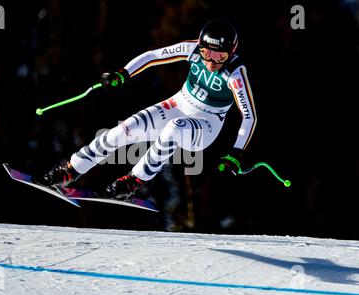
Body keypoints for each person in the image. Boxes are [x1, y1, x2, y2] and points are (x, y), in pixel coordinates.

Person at [39, 19, 257, 200]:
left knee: (174, 128)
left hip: (206, 124)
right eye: (207, 53)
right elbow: (154, 56)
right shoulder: (192, 50)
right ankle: (71, 169)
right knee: (125, 129)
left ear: (232, 52)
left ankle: (133, 181)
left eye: (220, 56)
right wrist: (123, 74)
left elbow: (249, 116)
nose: (211, 61)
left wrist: (235, 153)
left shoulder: (235, 73)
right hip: (179, 103)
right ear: (200, 46)